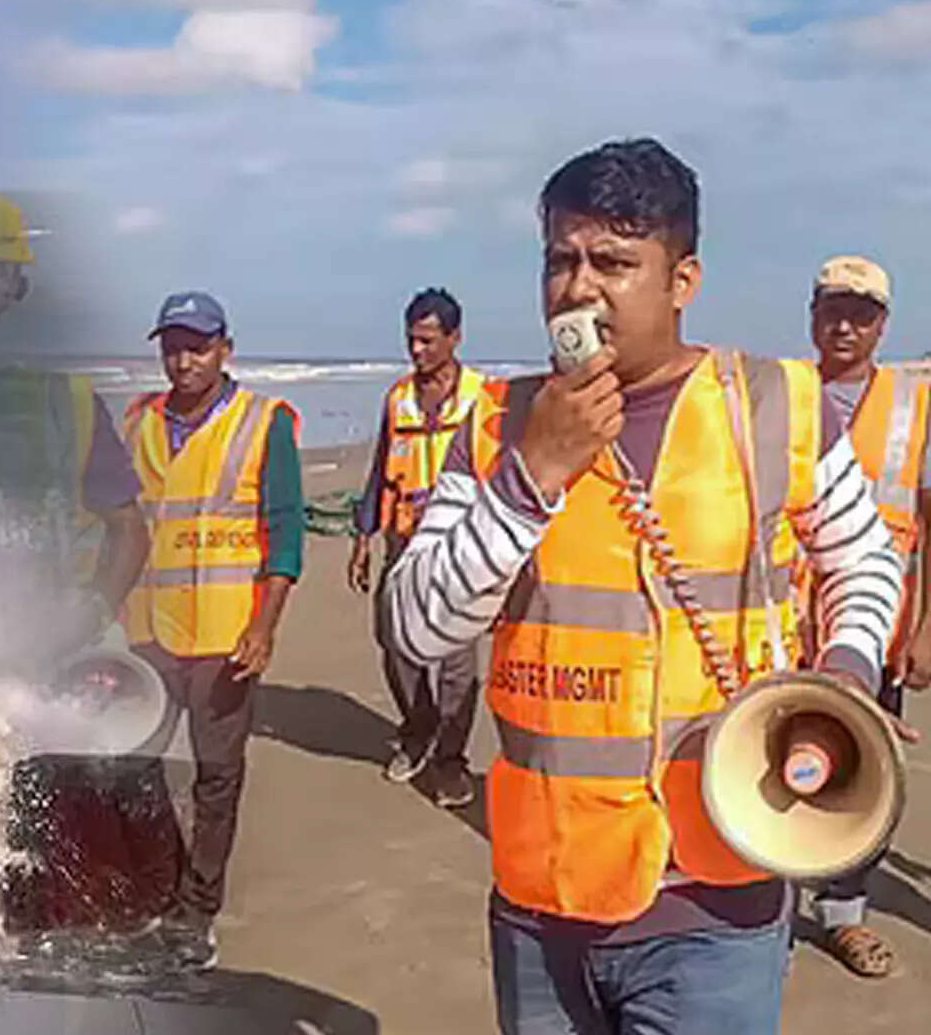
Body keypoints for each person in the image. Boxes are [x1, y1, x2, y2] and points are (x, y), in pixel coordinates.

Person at [383, 138, 909, 1033]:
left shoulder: (775, 404)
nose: (579, 289)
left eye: (615, 263)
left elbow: (862, 557)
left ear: (683, 279)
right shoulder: (500, 424)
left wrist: (850, 669)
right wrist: (530, 478)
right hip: (541, 897)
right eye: (561, 260)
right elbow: (418, 627)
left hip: (718, 902)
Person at [120, 290, 304, 968]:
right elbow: (112, 519)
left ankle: (197, 912)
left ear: (226, 347)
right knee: (129, 767)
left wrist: (266, 626)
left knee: (216, 778)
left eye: (197, 345)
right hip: (146, 632)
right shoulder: (138, 420)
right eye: (171, 346)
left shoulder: (264, 422)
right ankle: (160, 886)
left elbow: (286, 529)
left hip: (227, 639)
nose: (183, 360)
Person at [805, 254, 931, 978]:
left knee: (861, 778)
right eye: (832, 309)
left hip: (876, 634)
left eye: (861, 312)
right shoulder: (782, 399)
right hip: (781, 629)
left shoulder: (913, 408)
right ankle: (755, 911)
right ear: (813, 315)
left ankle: (842, 916)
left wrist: (923, 630)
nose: (845, 324)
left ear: (882, 325)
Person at [350, 287, 490, 808]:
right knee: (395, 641)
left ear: (455, 339)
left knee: (457, 659)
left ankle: (451, 761)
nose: (417, 351)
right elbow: (379, 468)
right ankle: (419, 728)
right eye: (411, 339)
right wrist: (362, 537)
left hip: (462, 546)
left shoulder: (483, 397)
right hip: (403, 541)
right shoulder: (397, 399)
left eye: (428, 340)